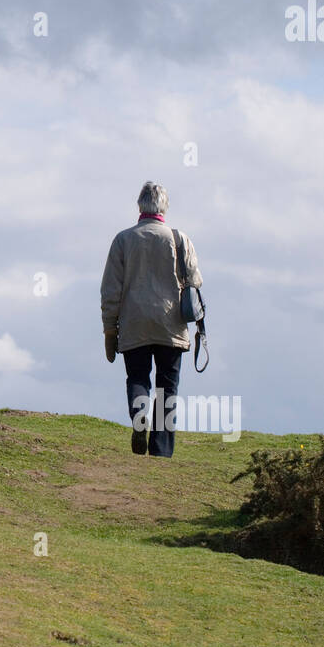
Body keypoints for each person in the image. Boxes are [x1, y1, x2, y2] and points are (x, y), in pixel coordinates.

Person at [100, 182, 203, 458]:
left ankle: (139, 415)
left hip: (134, 324)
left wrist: (110, 330)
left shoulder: (122, 240)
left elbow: (110, 290)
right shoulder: (180, 239)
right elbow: (195, 281)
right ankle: (161, 452)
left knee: (137, 377)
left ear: (139, 206)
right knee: (166, 387)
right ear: (164, 207)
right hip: (171, 324)